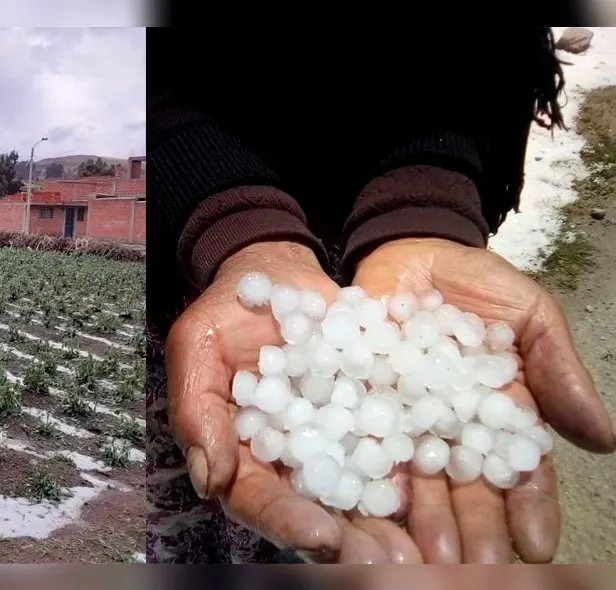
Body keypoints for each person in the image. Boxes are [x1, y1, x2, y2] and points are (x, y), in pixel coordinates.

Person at [147, 26, 616, 564]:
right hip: (193, 241)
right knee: (234, 498)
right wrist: (230, 214)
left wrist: (428, 193)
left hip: (372, 239)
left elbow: (493, 44)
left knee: (305, 523)